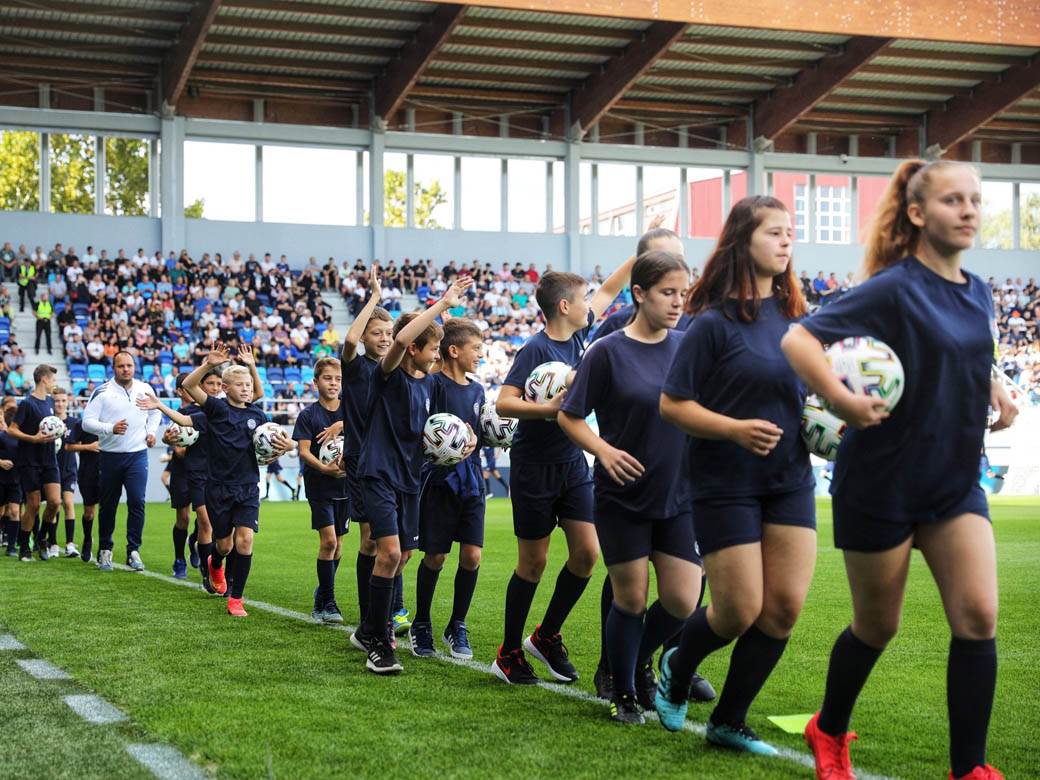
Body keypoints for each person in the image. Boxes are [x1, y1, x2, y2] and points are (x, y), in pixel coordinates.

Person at [782, 159, 1018, 780]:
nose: (969, 210)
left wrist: (998, 387)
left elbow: (970, 351)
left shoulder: (980, 290)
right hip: (881, 485)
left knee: (978, 618)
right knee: (877, 626)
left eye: (975, 199)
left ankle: (970, 768)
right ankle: (827, 729)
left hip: (954, 483)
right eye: (952, 201)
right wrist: (841, 399)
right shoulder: (892, 288)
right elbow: (798, 341)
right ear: (917, 214)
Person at [655, 195, 815, 756]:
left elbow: (817, 390)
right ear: (743, 241)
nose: (786, 240)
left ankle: (729, 720)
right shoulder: (712, 323)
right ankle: (678, 660)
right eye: (775, 231)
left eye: (790, 232)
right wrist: (733, 429)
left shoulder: (798, 316)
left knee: (784, 607)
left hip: (791, 478)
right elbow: (674, 405)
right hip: (726, 481)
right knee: (739, 609)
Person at [559, 250, 703, 724]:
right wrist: (602, 450)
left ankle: (637, 659)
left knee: (684, 598)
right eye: (667, 293)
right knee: (631, 598)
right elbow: (569, 416)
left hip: (677, 495)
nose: (678, 302)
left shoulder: (687, 346)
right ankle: (624, 693)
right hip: (622, 496)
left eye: (683, 293)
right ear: (639, 294)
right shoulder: (607, 351)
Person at [491, 248, 641, 685]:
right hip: (533, 465)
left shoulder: (579, 335)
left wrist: (639, 253)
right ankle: (509, 651)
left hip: (572, 462)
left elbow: (611, 289)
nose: (590, 303)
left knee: (587, 553)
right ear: (564, 307)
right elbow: (504, 402)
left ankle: (548, 635)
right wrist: (550, 410)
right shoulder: (535, 349)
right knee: (532, 564)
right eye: (582, 299)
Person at [587, 224, 713, 705]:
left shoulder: (691, 328)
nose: (677, 288)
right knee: (628, 588)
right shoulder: (614, 331)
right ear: (640, 282)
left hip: (682, 480)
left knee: (684, 588)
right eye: (664, 268)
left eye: (681, 268)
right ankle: (614, 669)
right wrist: (603, 449)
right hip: (628, 485)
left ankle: (666, 659)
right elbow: (583, 397)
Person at [349, 277, 472, 674]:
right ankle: (381, 644)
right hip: (378, 475)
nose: (437, 355)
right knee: (387, 553)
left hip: (411, 479)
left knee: (402, 555)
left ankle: (367, 628)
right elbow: (399, 341)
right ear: (415, 348)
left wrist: (460, 442)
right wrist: (442, 304)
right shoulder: (387, 374)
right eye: (433, 348)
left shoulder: (429, 386)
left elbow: (430, 433)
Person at [153, 343, 291, 616]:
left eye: (248, 385)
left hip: (248, 487)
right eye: (240, 385)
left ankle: (236, 599)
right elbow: (191, 385)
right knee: (225, 545)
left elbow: (277, 445)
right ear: (226, 389)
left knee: (245, 541)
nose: (246, 389)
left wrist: (285, 447)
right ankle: (215, 562)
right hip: (217, 488)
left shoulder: (258, 415)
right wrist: (209, 364)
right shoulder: (215, 409)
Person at [409, 318, 484, 660]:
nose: (481, 355)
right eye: (476, 349)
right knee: (436, 556)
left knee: (472, 556)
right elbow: (423, 430)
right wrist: (439, 448)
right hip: (439, 482)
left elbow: (479, 435)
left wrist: (473, 441)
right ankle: (421, 623)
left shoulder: (478, 390)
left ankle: (457, 624)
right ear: (454, 351)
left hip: (472, 482)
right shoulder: (433, 384)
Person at [339, 269, 394, 625]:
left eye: (389, 333)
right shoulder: (356, 367)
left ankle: (388, 612)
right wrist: (374, 298)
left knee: (393, 542)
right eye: (377, 333)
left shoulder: (396, 369)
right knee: (371, 540)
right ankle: (369, 617)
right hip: (362, 461)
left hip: (393, 462)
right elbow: (348, 339)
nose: (385, 339)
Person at [81, 351, 160, 572]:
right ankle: (105, 549)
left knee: (137, 502)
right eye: (121, 366)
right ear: (113, 368)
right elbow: (86, 422)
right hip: (110, 457)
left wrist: (151, 432)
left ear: (134, 367)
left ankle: (133, 550)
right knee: (108, 505)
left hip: (137, 455)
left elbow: (155, 413)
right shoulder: (103, 391)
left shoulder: (145, 389)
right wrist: (110, 428)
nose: (125, 369)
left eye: (129, 365)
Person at [291, 357, 348, 625]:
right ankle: (329, 601)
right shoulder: (308, 415)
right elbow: (303, 452)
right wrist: (324, 469)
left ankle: (321, 596)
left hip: (347, 486)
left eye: (337, 379)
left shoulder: (350, 410)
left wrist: (342, 424)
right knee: (329, 542)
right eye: (328, 378)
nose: (333, 383)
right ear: (316, 382)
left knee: (338, 548)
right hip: (320, 485)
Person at [163, 371, 221, 585]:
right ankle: (179, 559)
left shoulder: (211, 412)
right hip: (183, 473)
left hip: (207, 473)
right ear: (180, 391)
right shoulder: (181, 415)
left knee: (205, 521)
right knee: (184, 518)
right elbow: (179, 452)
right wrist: (182, 442)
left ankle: (195, 543)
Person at [8, 365, 61, 561]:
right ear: (44, 380)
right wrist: (33, 438)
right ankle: (24, 547)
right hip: (30, 460)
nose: (54, 383)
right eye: (53, 380)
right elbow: (12, 430)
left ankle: (41, 539)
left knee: (55, 502)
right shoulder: (27, 404)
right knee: (34, 505)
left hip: (49, 459)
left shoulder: (49, 401)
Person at [65, 410, 101, 563]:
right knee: (89, 512)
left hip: (109, 472)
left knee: (107, 511)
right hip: (88, 472)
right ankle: (87, 538)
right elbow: (69, 446)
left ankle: (105, 546)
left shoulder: (116, 422)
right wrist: (89, 447)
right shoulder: (83, 423)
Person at [52, 387, 80, 558]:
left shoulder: (74, 423)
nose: (60, 404)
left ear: (67, 401)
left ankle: (70, 544)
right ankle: (53, 543)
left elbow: (79, 443)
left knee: (68, 503)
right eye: (56, 401)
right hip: (52, 469)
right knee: (54, 505)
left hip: (69, 469)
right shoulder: (47, 422)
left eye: (63, 400)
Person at [0, 407, 23, 557]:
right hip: (1, 479)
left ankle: (12, 547)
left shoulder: (23, 438)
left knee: (15, 511)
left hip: (16, 480)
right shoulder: (2, 436)